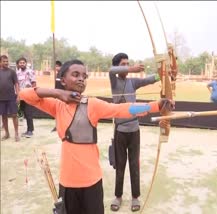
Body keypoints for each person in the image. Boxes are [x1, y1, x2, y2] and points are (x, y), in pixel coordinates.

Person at [19, 59, 173, 214]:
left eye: (84, 76)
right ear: (63, 80)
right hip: (67, 182)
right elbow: (24, 94)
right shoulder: (57, 106)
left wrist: (156, 105)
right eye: (75, 74)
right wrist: (59, 93)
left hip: (92, 182)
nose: (81, 78)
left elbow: (121, 109)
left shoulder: (92, 105)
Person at [109, 53, 160, 212]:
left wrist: (164, 75)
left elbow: (149, 79)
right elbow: (111, 70)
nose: (127, 66)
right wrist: (133, 68)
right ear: (118, 65)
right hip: (120, 131)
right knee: (120, 165)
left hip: (134, 130)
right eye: (123, 64)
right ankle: (118, 196)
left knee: (134, 165)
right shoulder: (114, 81)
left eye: (128, 63)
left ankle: (135, 197)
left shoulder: (133, 82)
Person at [0, 55, 20, 141]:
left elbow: (16, 84)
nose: (6, 63)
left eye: (7, 61)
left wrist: (18, 95)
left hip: (11, 97)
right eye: (4, 61)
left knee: (14, 115)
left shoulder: (12, 72)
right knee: (3, 116)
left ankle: (16, 134)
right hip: (1, 99)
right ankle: (7, 134)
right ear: (0, 62)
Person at [16, 57, 36, 138]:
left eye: (23, 63)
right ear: (18, 64)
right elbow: (17, 84)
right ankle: (28, 130)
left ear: (26, 63)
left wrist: (33, 93)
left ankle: (30, 131)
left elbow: (34, 83)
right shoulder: (17, 73)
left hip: (29, 95)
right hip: (21, 96)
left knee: (28, 113)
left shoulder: (30, 71)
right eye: (20, 63)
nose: (22, 64)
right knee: (24, 113)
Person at [51, 60, 63, 132]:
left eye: (56, 66)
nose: (55, 68)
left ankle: (60, 125)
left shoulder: (62, 74)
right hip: (57, 94)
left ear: (59, 66)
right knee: (57, 110)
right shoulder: (58, 74)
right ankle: (57, 125)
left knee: (60, 110)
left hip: (61, 95)